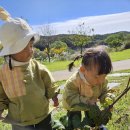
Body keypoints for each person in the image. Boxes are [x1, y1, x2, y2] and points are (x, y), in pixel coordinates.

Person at [0, 7, 58, 130]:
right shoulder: (3, 73)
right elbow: (1, 94)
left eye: (31, 46)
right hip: (19, 121)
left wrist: (54, 95)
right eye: (24, 47)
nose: (30, 50)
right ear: (11, 51)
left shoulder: (36, 66)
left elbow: (48, 81)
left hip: (43, 115)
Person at [62, 47, 115, 129]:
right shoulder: (73, 82)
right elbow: (70, 99)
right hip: (74, 105)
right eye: (97, 77)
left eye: (104, 76)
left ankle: (96, 126)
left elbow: (104, 92)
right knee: (74, 120)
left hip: (91, 103)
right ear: (83, 70)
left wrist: (107, 97)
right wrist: (86, 101)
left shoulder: (102, 80)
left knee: (94, 118)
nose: (101, 81)